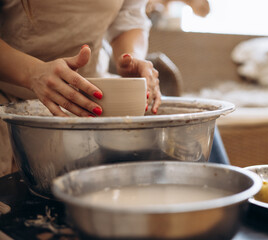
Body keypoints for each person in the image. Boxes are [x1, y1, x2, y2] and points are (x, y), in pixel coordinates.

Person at [0, 0, 161, 176]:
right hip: (8, 106)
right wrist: (32, 72)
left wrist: (131, 58)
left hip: (87, 108)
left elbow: (129, 18)